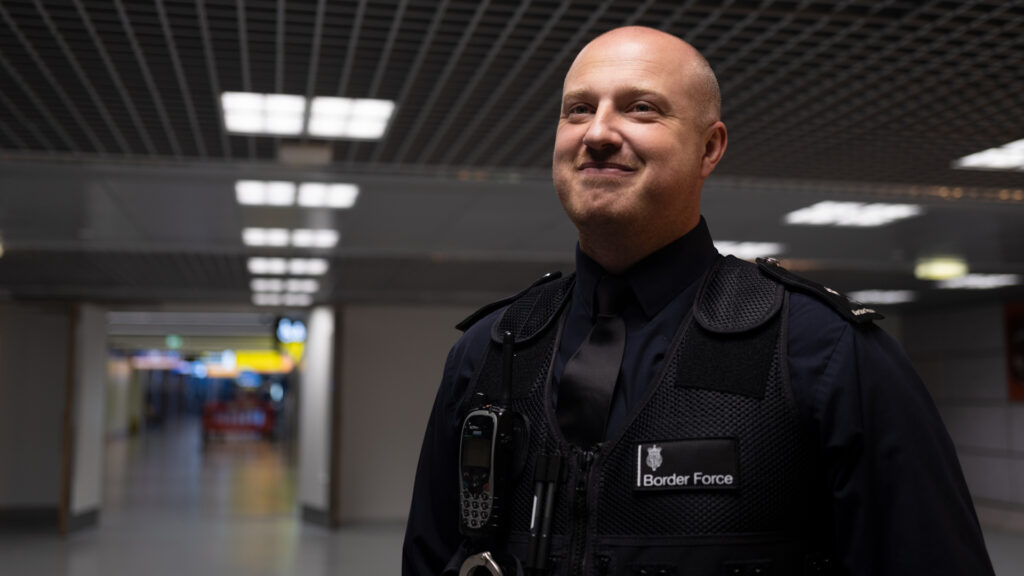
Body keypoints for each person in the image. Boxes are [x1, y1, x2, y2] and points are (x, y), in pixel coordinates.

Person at [403, 26, 994, 576]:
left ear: (710, 148)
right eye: (578, 109)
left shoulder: (823, 353)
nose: (598, 132)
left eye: (641, 108)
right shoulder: (493, 351)